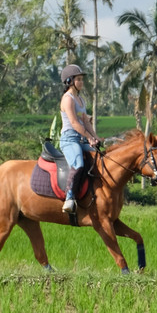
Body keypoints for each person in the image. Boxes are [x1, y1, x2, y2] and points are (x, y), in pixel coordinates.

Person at [58, 64, 101, 214]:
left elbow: (86, 121)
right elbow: (75, 123)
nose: (82, 82)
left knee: (99, 157)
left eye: (82, 79)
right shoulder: (68, 99)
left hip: (81, 139)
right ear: (70, 81)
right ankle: (69, 198)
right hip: (69, 140)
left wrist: (96, 138)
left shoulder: (81, 99)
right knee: (78, 163)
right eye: (79, 79)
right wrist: (89, 138)